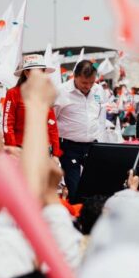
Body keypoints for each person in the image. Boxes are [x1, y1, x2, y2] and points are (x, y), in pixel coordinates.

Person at [54, 60, 105, 202]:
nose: (87, 87)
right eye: (84, 83)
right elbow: (51, 119)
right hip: (69, 146)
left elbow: (100, 116)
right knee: (74, 187)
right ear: (74, 76)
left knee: (95, 185)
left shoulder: (99, 90)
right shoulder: (61, 91)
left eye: (91, 82)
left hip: (93, 145)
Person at [3, 53, 63, 157]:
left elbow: (52, 125)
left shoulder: (45, 93)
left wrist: (56, 154)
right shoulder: (13, 93)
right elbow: (7, 124)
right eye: (37, 71)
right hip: (20, 150)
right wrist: (12, 149)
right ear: (26, 72)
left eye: (43, 71)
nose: (41, 74)